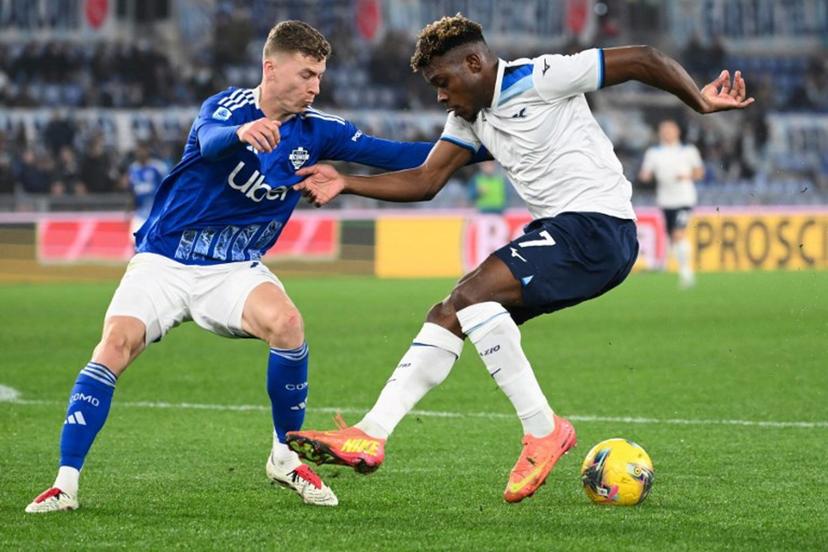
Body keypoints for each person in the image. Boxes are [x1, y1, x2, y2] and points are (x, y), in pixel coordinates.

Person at [286, 14, 753, 503]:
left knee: (471, 295)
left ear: (474, 62)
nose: (441, 96)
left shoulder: (542, 76)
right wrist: (346, 180)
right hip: (561, 231)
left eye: (443, 83)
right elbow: (425, 180)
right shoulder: (468, 119)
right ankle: (372, 433)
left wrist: (698, 101)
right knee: (450, 313)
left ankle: (543, 430)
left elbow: (643, 59)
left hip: (598, 228)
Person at [25, 20, 464, 513]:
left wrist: (483, 144)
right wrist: (240, 133)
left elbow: (398, 154)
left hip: (232, 270)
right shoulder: (227, 107)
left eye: (319, 76)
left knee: (288, 323)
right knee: (114, 346)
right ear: (270, 68)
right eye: (305, 74)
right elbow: (211, 139)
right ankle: (65, 483)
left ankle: (283, 455)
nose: (315, 86)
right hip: (165, 261)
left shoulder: (318, 131)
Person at [638, 120, 704, 288]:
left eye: (670, 130)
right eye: (664, 130)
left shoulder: (688, 151)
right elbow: (645, 174)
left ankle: (686, 274)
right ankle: (669, 266)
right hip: (665, 200)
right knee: (672, 238)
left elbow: (699, 173)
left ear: (677, 132)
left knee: (678, 234)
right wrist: (645, 177)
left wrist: (686, 177)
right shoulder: (653, 153)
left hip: (684, 199)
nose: (667, 133)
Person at [125, 142, 168, 239]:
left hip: (156, 213)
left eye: (142, 150)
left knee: (154, 242)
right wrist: (129, 208)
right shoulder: (133, 169)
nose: (140, 153)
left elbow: (167, 188)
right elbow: (132, 192)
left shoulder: (158, 167)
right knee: (135, 241)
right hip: (140, 213)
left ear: (147, 151)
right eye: (138, 151)